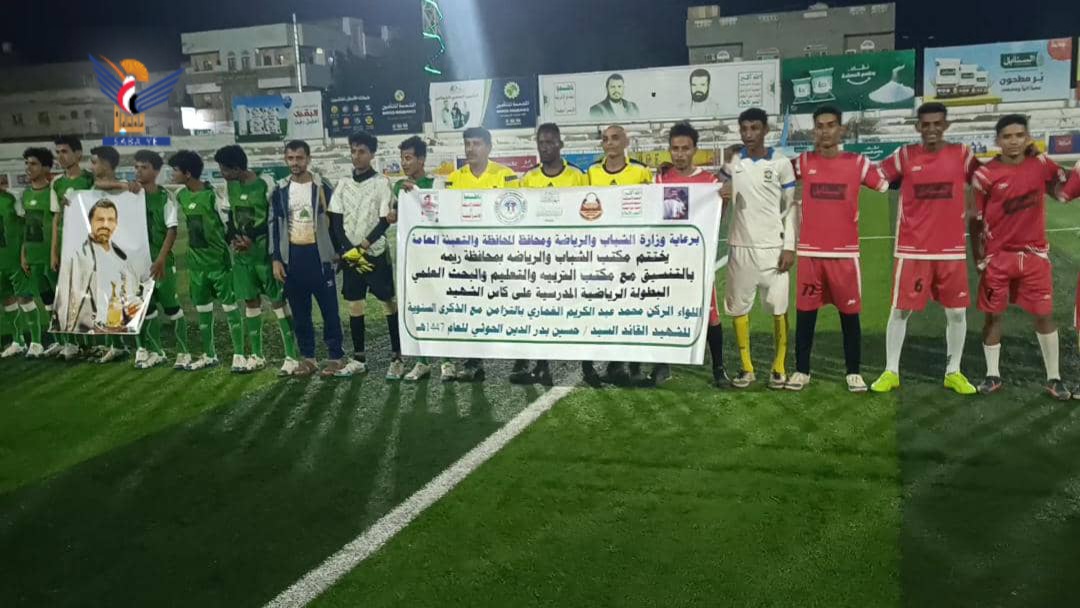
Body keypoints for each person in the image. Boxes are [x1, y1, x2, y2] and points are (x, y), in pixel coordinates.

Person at [870, 103, 979, 395]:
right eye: (926, 124)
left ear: (946, 125)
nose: (932, 129)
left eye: (937, 123)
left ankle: (953, 372)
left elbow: (987, 179)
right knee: (900, 311)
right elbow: (877, 177)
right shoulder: (905, 156)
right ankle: (890, 371)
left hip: (951, 250)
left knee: (957, 314)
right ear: (918, 126)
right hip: (913, 250)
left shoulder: (962, 154)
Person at [969, 114, 1071, 399]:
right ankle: (992, 375)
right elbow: (974, 220)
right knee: (993, 317)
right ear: (997, 140)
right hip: (999, 258)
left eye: (1019, 135)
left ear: (1027, 138)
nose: (1013, 141)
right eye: (1007, 136)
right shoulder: (985, 175)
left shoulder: (1040, 164)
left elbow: (1061, 188)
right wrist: (979, 258)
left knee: (1044, 315)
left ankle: (1054, 378)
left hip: (1035, 256)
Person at [788, 106, 889, 393]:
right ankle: (802, 370)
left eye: (831, 125)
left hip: (845, 254)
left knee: (850, 315)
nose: (825, 131)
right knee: (805, 315)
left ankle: (853, 372)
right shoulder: (803, 162)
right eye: (820, 126)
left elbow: (884, 184)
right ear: (814, 130)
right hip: (810, 253)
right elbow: (775, 175)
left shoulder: (857, 163)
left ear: (841, 129)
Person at [717, 109, 797, 390]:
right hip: (740, 248)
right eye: (744, 129)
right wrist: (722, 192)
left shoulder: (781, 163)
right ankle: (747, 368)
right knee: (738, 308)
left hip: (773, 249)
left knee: (778, 308)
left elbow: (791, 206)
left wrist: (789, 247)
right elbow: (715, 189)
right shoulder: (733, 162)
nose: (749, 134)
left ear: (765, 130)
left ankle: (779, 367)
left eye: (754, 128)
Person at [214, 145, 300, 375]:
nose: (222, 173)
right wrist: (234, 238)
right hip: (243, 257)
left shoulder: (266, 183)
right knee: (250, 301)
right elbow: (229, 217)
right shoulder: (230, 186)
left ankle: (292, 356)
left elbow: (274, 218)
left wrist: (252, 238)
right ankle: (257, 355)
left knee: (278, 301)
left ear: (236, 168)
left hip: (265, 255)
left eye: (224, 169)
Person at [656, 122, 730, 388]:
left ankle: (719, 368)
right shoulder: (660, 180)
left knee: (710, 314)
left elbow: (717, 219)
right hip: (666, 258)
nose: (679, 154)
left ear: (695, 150)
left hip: (698, 260)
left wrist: (725, 200)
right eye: (675, 149)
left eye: (685, 148)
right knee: (662, 309)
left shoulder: (709, 182)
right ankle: (662, 365)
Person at [444, 126, 520, 382]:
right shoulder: (454, 179)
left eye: (476, 144)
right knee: (471, 309)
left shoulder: (506, 176)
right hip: (467, 258)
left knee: (511, 306)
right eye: (467, 144)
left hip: (501, 256)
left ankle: (520, 360)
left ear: (489, 147)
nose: (470, 149)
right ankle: (473, 363)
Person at [515, 122, 588, 385]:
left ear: (560, 144)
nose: (544, 147)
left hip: (571, 256)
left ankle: (587, 365)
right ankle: (541, 365)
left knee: (580, 308)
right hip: (539, 257)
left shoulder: (578, 176)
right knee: (540, 310)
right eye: (541, 143)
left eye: (549, 142)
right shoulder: (529, 178)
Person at [328, 131, 403, 379]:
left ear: (372, 154)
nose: (356, 156)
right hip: (352, 255)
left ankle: (397, 357)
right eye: (353, 151)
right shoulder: (343, 184)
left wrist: (362, 247)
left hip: (375, 253)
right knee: (355, 304)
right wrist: (349, 250)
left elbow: (384, 221)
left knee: (387, 303)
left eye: (361, 151)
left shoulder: (382, 183)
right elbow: (335, 221)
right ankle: (359, 359)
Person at [269, 140, 345, 377]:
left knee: (329, 311)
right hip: (293, 258)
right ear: (286, 159)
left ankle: (335, 357)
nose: (295, 163)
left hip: (319, 256)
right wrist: (276, 258)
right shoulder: (280, 190)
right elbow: (274, 224)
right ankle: (308, 358)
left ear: (308, 159)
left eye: (299, 158)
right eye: (290, 158)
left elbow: (337, 220)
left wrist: (338, 251)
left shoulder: (322, 186)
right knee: (300, 314)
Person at [586, 125, 653, 386]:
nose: (610, 143)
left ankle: (635, 368)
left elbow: (651, 207)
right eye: (605, 139)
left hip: (634, 254)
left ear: (626, 142)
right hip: (602, 254)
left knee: (634, 310)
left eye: (615, 138)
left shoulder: (640, 171)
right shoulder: (592, 173)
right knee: (608, 310)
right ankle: (614, 365)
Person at [168, 150, 245, 371]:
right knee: (202, 309)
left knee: (230, 307)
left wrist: (234, 245)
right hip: (196, 265)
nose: (172, 174)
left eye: (175, 170)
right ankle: (209, 354)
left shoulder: (213, 196)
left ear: (188, 173)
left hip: (218, 263)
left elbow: (228, 225)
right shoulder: (180, 195)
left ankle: (239, 355)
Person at [128, 150, 185, 370]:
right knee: (147, 308)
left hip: (161, 263)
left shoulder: (164, 197)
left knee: (172, 309)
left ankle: (183, 352)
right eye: (136, 167)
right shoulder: (131, 196)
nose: (138, 171)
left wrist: (161, 259)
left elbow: (172, 230)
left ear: (156, 171)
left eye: (144, 167)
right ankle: (156, 352)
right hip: (139, 263)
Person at [393, 136, 443, 382]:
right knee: (415, 309)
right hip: (410, 259)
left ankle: (447, 361)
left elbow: (441, 214)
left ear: (421, 159)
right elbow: (393, 212)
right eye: (402, 158)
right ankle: (422, 362)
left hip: (435, 257)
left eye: (408, 158)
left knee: (441, 308)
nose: (404, 163)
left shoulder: (435, 184)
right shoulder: (398, 187)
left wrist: (418, 193)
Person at [53, 199, 144, 334]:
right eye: (100, 220)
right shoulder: (78, 256)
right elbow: (68, 303)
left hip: (119, 326)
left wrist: (128, 319)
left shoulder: (122, 256)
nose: (105, 225)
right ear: (90, 222)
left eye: (110, 220)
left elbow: (133, 297)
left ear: (116, 224)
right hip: (91, 329)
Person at [50, 135, 96, 360]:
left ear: (78, 154)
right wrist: (54, 251)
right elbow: (56, 218)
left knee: (89, 294)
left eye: (65, 151)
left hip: (87, 246)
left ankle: (97, 342)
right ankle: (74, 343)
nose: (60, 156)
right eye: (58, 152)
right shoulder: (56, 183)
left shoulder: (90, 179)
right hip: (66, 247)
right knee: (68, 295)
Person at [18, 147, 59, 359]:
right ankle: (59, 340)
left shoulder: (53, 192)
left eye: (33, 163)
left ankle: (72, 341)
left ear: (45, 168)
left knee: (59, 298)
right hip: (33, 256)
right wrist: (23, 253)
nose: (28, 167)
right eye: (27, 163)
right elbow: (26, 226)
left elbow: (56, 224)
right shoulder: (25, 194)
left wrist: (55, 252)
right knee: (46, 299)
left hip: (49, 255)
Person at [0, 175, 28, 358]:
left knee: (26, 298)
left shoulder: (13, 197)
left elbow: (27, 224)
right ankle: (18, 341)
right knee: (7, 300)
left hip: (15, 258)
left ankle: (36, 342)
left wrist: (24, 252)